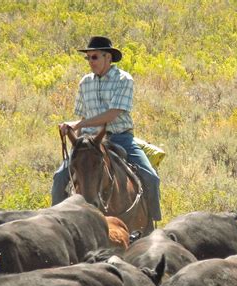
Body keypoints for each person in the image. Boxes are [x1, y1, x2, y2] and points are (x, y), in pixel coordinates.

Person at [51, 36, 161, 222]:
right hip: (88, 143)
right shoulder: (85, 83)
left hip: (120, 138)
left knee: (150, 177)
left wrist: (79, 124)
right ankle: (57, 224)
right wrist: (73, 132)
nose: (90, 61)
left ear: (108, 57)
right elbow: (84, 117)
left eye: (94, 57)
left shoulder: (124, 80)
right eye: (88, 58)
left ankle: (150, 224)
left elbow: (112, 115)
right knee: (60, 177)